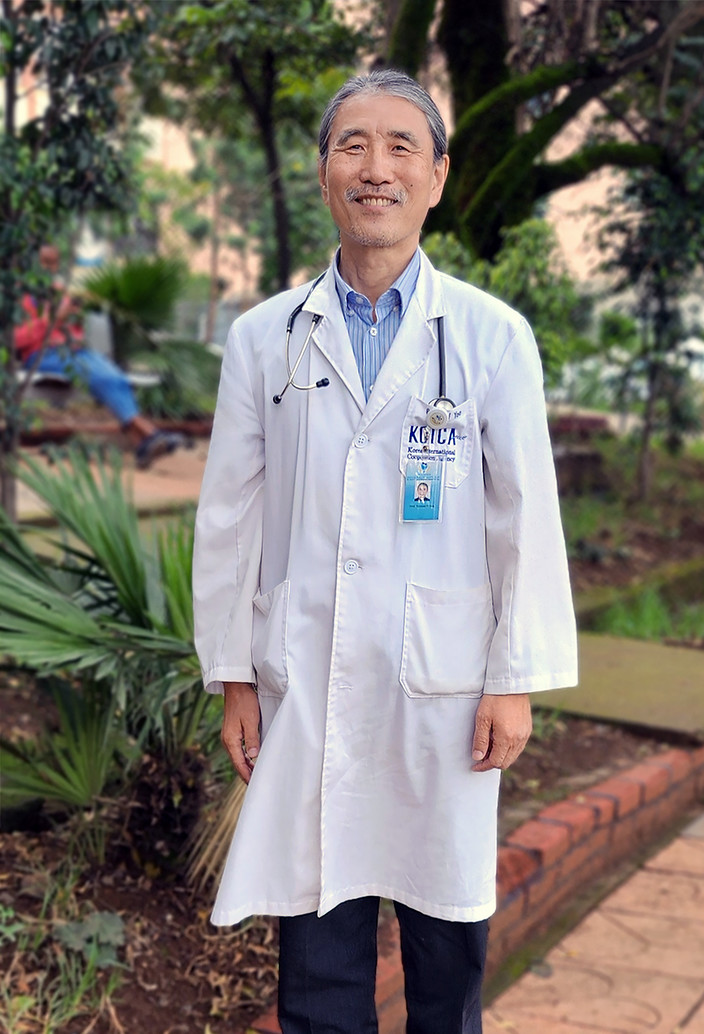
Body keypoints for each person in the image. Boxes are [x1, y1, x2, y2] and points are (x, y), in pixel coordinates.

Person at [192, 69, 577, 1033]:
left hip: (441, 687)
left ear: (436, 177)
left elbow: (524, 516)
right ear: (323, 172)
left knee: (445, 957)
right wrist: (234, 676)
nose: (376, 168)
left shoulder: (491, 337)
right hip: (305, 677)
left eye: (401, 146)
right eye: (352, 145)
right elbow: (230, 519)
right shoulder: (263, 339)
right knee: (318, 960)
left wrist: (513, 680)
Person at [14, 245, 184, 468]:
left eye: (53, 263)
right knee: (103, 376)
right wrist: (55, 319)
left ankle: (144, 441)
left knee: (116, 376)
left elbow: (74, 332)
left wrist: (74, 321)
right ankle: (148, 434)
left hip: (75, 352)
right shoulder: (18, 297)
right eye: (44, 262)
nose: (49, 268)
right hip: (41, 355)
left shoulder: (59, 293)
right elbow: (17, 340)